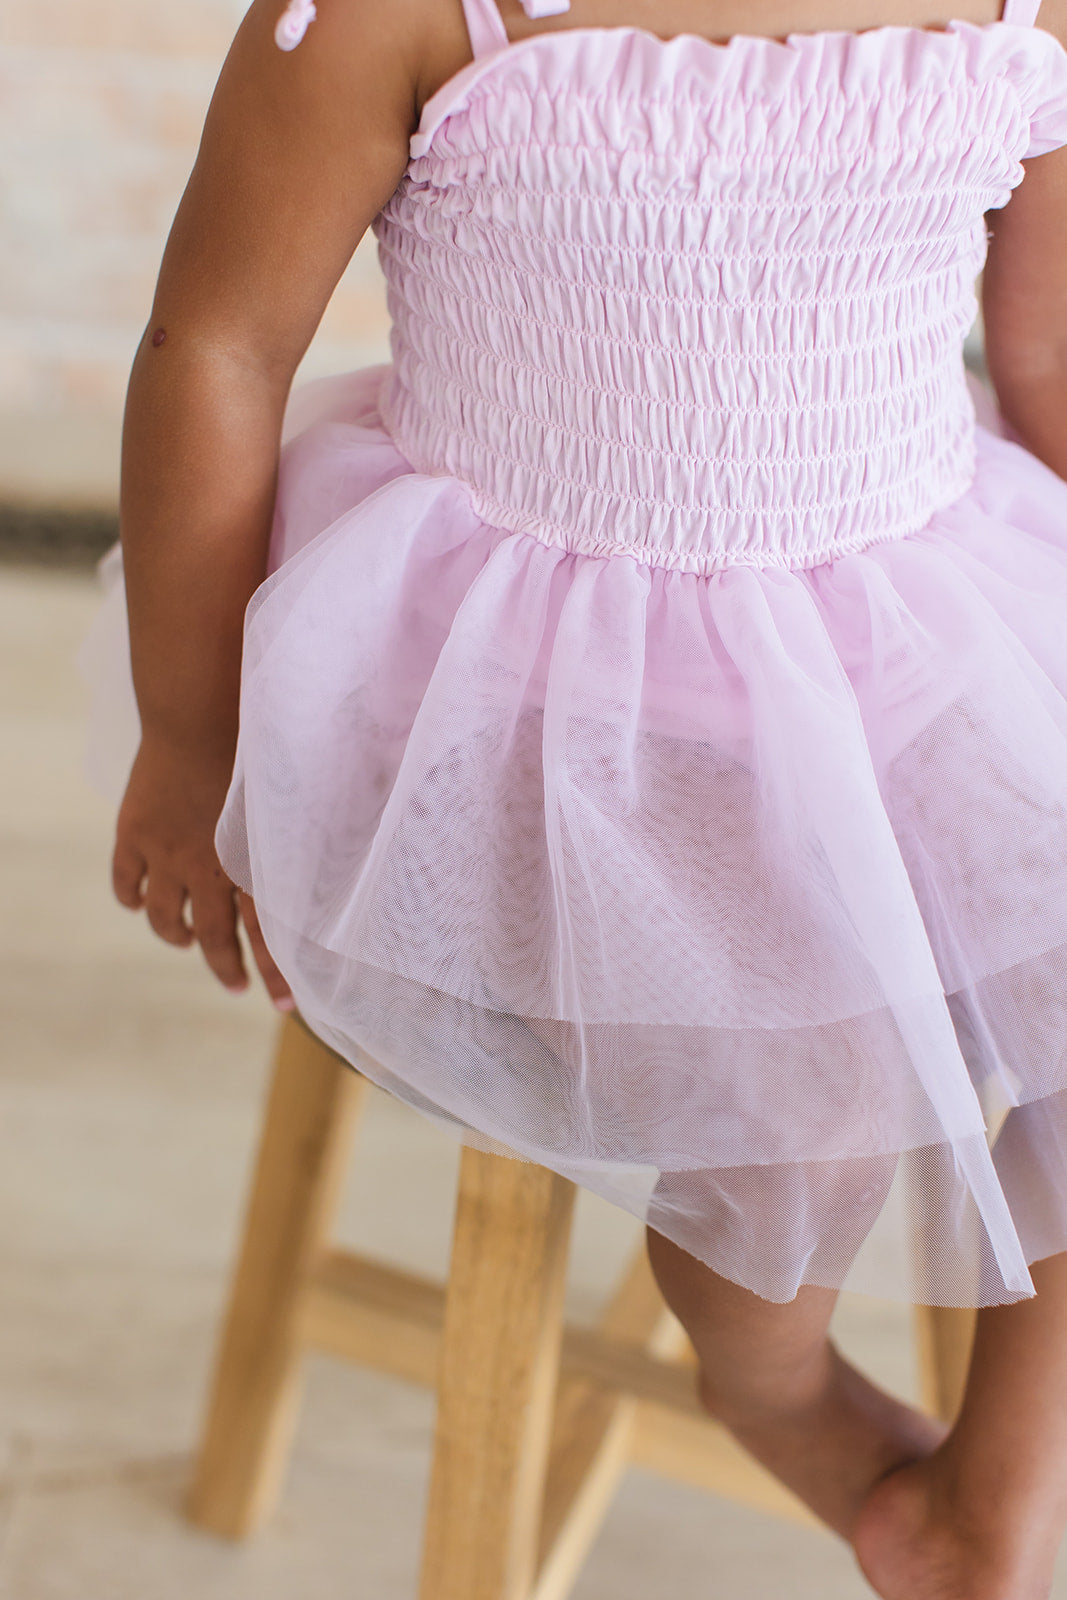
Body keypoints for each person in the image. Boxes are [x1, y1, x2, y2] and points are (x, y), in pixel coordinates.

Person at [92, 0, 1067, 1588]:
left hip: (907, 624)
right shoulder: (387, 17)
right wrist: (192, 733)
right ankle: (789, 1397)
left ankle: (994, 1499)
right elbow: (216, 341)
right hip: (533, 691)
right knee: (796, 1114)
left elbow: (1043, 345)